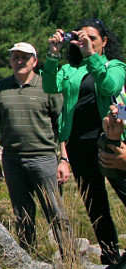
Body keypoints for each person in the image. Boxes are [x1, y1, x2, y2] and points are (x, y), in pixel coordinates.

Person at [44, 18, 126, 265]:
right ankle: (111, 258)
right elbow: (49, 85)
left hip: (108, 142)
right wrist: (53, 55)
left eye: (93, 38)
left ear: (104, 41)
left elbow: (109, 85)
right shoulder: (71, 69)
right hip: (78, 145)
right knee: (96, 206)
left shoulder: (115, 65)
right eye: (83, 38)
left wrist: (92, 57)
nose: (87, 42)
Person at [0, 42, 71, 256]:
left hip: (43, 158)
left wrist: (64, 159)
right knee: (22, 214)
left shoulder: (48, 86)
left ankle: (71, 259)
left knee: (56, 212)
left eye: (24, 57)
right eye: (15, 57)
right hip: (12, 159)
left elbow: (61, 124)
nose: (19, 61)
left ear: (35, 61)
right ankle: (28, 257)